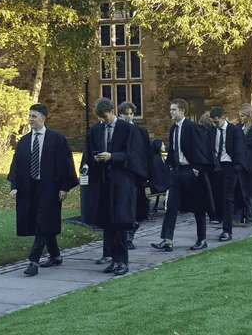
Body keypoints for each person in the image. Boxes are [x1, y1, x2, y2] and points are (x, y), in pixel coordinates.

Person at [8, 104, 78, 277]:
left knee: (44, 220)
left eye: (34, 116)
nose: (30, 119)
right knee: (42, 221)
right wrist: (14, 186)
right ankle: (55, 255)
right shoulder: (24, 141)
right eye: (29, 116)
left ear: (43, 118)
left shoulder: (56, 139)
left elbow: (66, 164)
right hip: (29, 187)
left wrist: (64, 187)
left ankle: (33, 261)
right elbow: (16, 165)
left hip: (50, 187)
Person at [80, 98, 148, 276]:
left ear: (112, 111)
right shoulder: (96, 130)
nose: (103, 120)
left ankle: (123, 261)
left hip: (122, 180)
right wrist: (87, 164)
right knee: (107, 222)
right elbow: (88, 152)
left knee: (120, 221)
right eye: (100, 118)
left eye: (105, 117)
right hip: (103, 181)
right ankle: (113, 259)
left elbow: (135, 155)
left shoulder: (127, 129)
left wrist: (113, 157)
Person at [151, 99, 214, 252]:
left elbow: (202, 149)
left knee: (198, 206)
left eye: (174, 109)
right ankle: (167, 240)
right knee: (171, 205)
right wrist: (170, 167)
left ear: (182, 111)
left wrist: (196, 169)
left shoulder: (192, 127)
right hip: (177, 172)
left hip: (191, 171)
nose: (171, 112)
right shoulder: (173, 128)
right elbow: (173, 150)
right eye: (170, 109)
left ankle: (202, 239)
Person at [206, 106, 249, 242]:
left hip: (230, 166)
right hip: (217, 167)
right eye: (213, 121)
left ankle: (227, 230)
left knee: (228, 198)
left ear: (222, 118)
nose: (215, 124)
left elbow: (241, 149)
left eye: (217, 121)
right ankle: (220, 219)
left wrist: (238, 166)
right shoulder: (212, 131)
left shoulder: (234, 130)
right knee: (218, 196)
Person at [117, 101, 151, 250]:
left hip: (137, 174)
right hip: (121, 173)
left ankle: (129, 236)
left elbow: (146, 153)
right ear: (120, 115)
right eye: (126, 114)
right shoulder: (116, 130)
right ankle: (125, 235)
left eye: (131, 114)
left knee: (134, 205)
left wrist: (146, 173)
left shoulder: (140, 132)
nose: (129, 117)